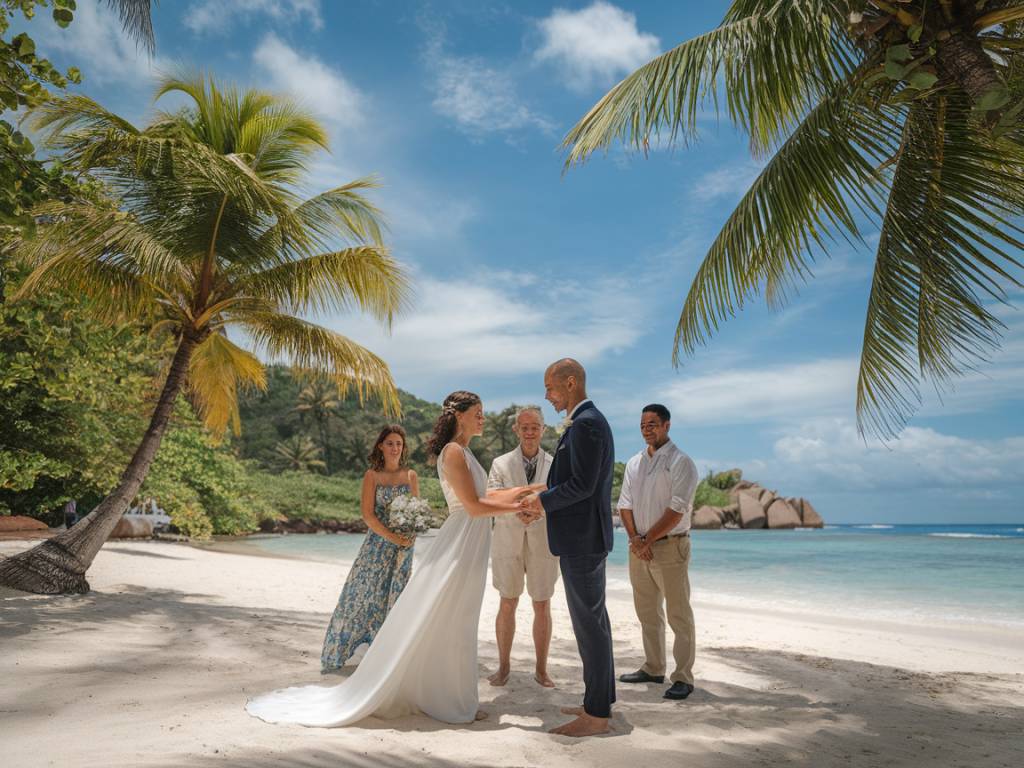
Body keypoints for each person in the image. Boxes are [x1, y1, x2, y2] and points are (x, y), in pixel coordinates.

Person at [246, 391, 536, 727]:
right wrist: (518, 508)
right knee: (456, 618)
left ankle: (449, 695)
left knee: (458, 618)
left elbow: (486, 496)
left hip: (470, 540)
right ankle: (453, 701)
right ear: (459, 416)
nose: (484, 418)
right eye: (479, 412)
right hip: (460, 541)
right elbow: (472, 506)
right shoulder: (454, 451)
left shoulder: (465, 451)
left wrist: (529, 492)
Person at [520, 359, 616, 738]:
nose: (547, 395)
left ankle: (596, 715)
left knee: (589, 626)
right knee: (595, 623)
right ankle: (600, 699)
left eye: (550, 387)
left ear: (571, 382)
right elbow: (572, 483)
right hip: (583, 539)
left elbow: (582, 486)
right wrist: (539, 497)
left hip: (584, 541)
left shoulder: (588, 423)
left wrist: (541, 503)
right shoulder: (585, 422)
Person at [616, 404, 699, 701]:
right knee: (647, 612)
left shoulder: (681, 462)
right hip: (638, 549)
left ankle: (683, 677)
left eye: (652, 424)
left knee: (678, 614)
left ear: (666, 425)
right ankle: (653, 667)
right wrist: (637, 541)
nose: (646, 429)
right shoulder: (634, 463)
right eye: (642, 424)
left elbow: (677, 510)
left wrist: (646, 540)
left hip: (670, 547)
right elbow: (624, 504)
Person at [320, 425, 418, 673]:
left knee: (395, 597)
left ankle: (389, 653)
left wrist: (408, 536)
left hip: (404, 548)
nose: (395, 448)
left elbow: (415, 512)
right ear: (380, 447)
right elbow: (368, 516)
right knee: (362, 594)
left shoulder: (411, 476)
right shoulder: (372, 476)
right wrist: (393, 537)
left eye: (399, 443)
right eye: (390, 443)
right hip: (376, 547)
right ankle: (347, 649)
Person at [486, 406, 558, 688]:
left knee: (542, 603)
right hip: (507, 539)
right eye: (524, 427)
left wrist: (540, 511)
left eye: (535, 427)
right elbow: (492, 496)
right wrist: (519, 508)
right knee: (508, 602)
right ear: (516, 430)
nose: (530, 432)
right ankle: (503, 667)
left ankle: (542, 670)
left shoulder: (556, 463)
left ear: (543, 429)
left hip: (544, 542)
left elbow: (560, 496)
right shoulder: (500, 463)